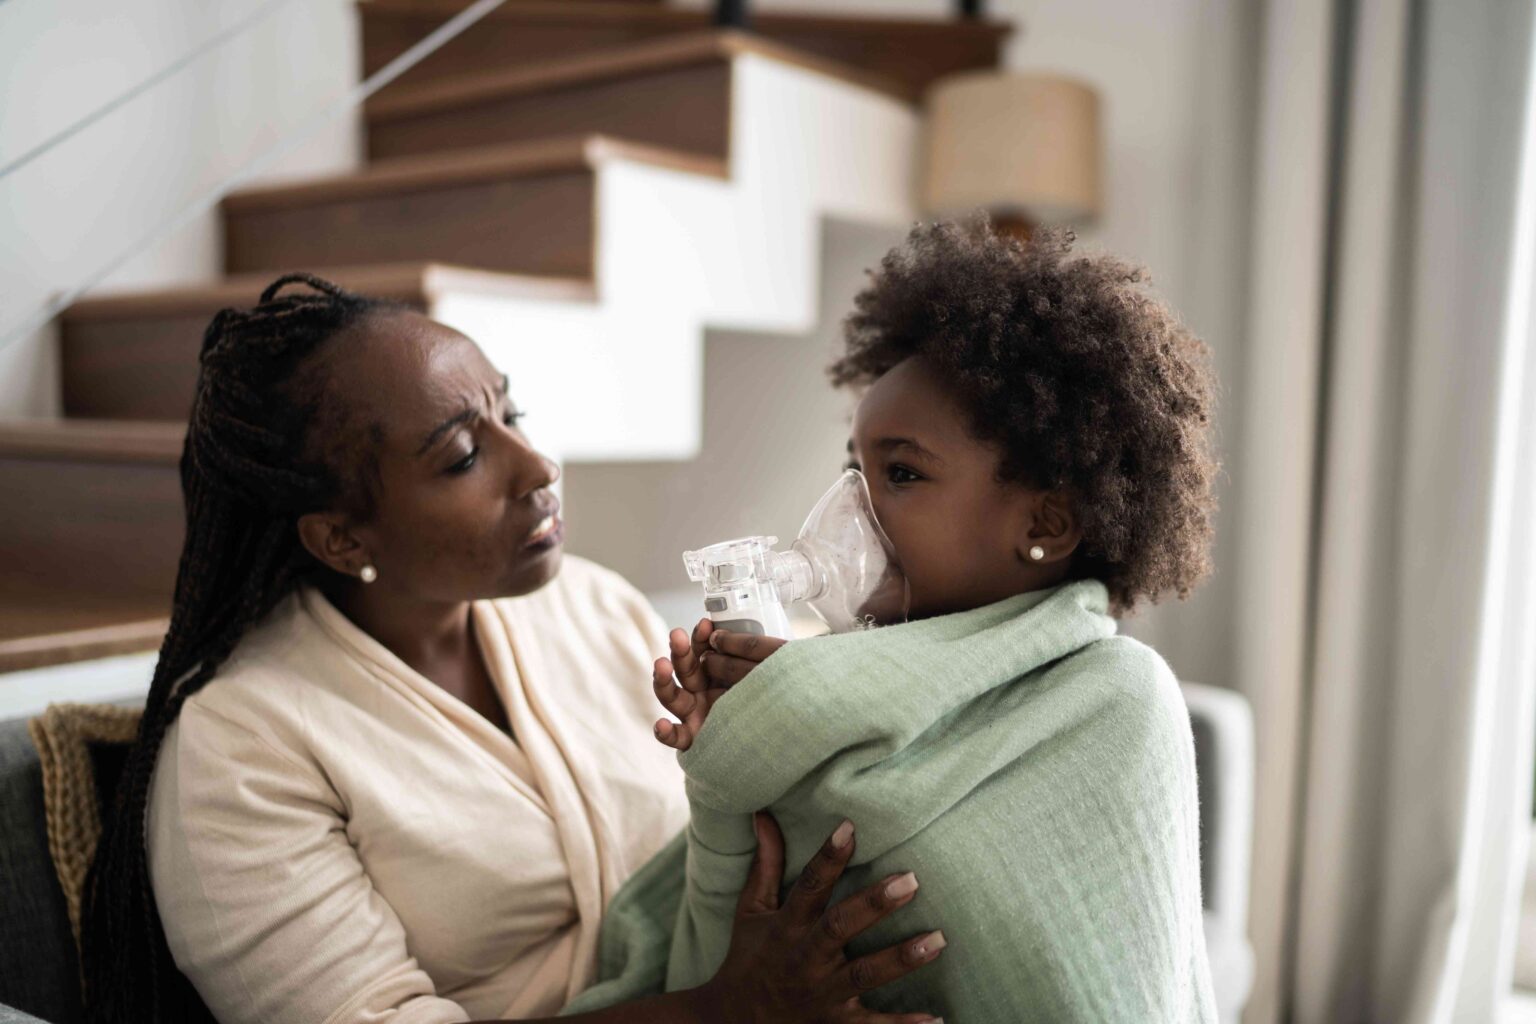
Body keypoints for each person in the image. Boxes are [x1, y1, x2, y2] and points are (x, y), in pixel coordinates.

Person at [80, 274, 945, 1024]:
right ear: (341, 538)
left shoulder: (591, 605)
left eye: (513, 413)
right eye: (462, 456)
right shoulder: (243, 748)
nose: (537, 466)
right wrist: (729, 1010)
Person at [607, 221, 1220, 1021]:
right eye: (853, 471)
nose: (852, 511)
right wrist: (733, 741)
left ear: (1046, 525)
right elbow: (730, 939)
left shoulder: (1117, 701)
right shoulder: (820, 683)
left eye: (901, 473)